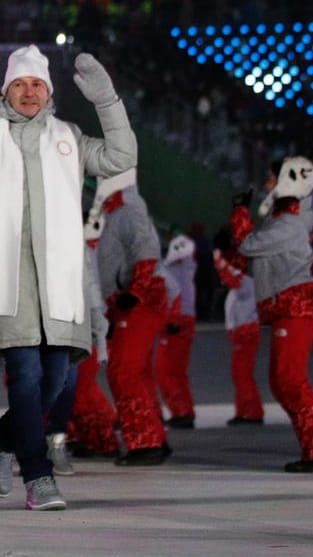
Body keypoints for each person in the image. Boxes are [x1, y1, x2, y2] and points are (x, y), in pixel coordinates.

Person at [0, 45, 135, 512]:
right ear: (5, 90)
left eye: (37, 85)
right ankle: (39, 477)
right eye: (20, 84)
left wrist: (107, 101)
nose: (28, 93)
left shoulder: (68, 138)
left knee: (53, 384)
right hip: (7, 284)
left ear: (47, 91)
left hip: (60, 286)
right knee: (26, 378)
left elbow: (120, 156)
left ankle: (3, 435)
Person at [232, 156, 313, 472]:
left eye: (271, 178)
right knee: (283, 381)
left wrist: (240, 212)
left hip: (294, 306)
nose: (267, 185)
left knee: (290, 380)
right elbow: (253, 258)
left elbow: (248, 246)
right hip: (287, 306)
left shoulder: (290, 224)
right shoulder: (284, 221)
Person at [94, 168, 171, 465]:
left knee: (123, 372)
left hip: (138, 301)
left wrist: (134, 292)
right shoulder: (114, 212)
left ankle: (145, 442)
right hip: (128, 301)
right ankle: (153, 437)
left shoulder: (129, 210)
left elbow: (147, 251)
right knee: (136, 372)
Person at [62, 203, 116, 465]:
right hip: (76, 328)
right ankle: (86, 437)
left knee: (83, 389)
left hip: (87, 330)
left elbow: (93, 292)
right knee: (77, 390)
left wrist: (99, 331)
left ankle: (104, 438)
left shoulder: (82, 251)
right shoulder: (75, 248)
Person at [218, 248, 266, 426]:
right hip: (243, 332)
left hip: (246, 333)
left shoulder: (246, 283)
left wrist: (220, 264)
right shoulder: (244, 285)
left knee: (242, 374)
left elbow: (232, 279)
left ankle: (252, 412)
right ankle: (244, 411)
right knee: (241, 374)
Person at [156, 234, 198, 429]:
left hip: (176, 320)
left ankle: (180, 412)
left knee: (165, 370)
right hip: (186, 318)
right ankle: (186, 410)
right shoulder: (186, 267)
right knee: (178, 371)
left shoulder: (170, 268)